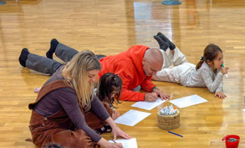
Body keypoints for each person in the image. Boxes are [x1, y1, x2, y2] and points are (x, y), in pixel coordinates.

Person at [28, 51, 129, 148]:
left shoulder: (72, 72)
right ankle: (85, 134)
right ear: (80, 72)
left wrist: (114, 126)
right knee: (81, 143)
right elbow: (80, 124)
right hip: (47, 129)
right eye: (91, 76)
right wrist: (108, 145)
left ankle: (86, 133)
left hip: (67, 120)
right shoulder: (64, 88)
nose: (95, 79)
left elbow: (93, 100)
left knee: (105, 109)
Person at [20, 39, 170, 102]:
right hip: (96, 73)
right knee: (60, 69)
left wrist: (153, 88)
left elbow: (144, 78)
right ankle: (27, 58)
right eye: (153, 70)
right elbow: (119, 93)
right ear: (144, 61)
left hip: (105, 62)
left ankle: (57, 47)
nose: (154, 74)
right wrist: (143, 97)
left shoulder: (145, 57)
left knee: (79, 57)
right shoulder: (127, 66)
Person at [153, 42, 228, 99]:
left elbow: (219, 81)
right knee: (155, 73)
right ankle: (162, 51)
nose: (222, 61)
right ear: (209, 62)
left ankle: (168, 48)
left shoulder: (216, 65)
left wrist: (219, 90)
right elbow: (212, 88)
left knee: (174, 64)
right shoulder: (204, 69)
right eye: (219, 59)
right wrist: (221, 74)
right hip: (182, 75)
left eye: (222, 58)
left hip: (189, 69)